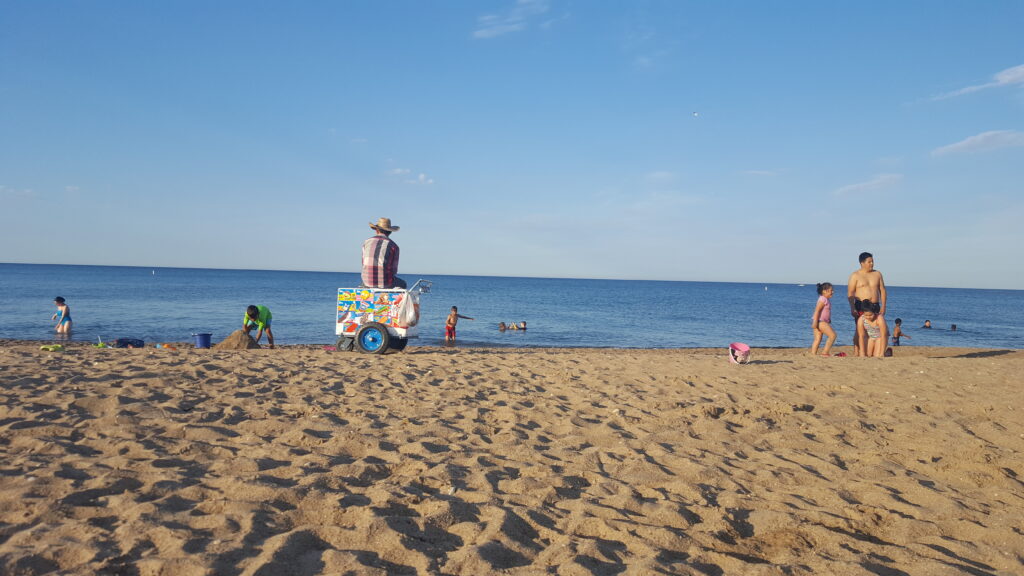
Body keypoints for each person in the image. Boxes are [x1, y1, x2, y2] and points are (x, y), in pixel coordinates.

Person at [847, 252, 887, 356]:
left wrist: (883, 306)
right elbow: (850, 292)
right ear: (862, 263)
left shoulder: (877, 274)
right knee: (860, 329)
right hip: (861, 305)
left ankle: (874, 350)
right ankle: (857, 351)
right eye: (869, 262)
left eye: (872, 261)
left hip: (875, 305)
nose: (872, 263)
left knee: (875, 329)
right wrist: (852, 308)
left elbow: (882, 290)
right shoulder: (855, 275)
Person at [361, 217, 406, 289]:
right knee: (403, 284)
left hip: (367, 282)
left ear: (376, 230)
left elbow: (363, 263)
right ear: (390, 232)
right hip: (386, 283)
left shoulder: (366, 242)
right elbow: (394, 270)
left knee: (364, 283)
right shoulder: (394, 246)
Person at [810, 283, 836, 356]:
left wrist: (829, 319)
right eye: (831, 290)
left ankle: (813, 354)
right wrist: (815, 321)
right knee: (833, 335)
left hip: (820, 321)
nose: (833, 292)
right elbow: (817, 310)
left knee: (818, 339)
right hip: (820, 321)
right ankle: (825, 352)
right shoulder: (823, 299)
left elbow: (825, 311)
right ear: (824, 291)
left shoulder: (825, 299)